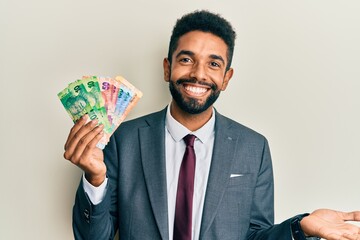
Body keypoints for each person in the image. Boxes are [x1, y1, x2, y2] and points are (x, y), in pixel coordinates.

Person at [63, 10, 360, 240]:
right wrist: (95, 179)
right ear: (167, 68)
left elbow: (256, 236)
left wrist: (299, 227)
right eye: (186, 59)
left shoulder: (253, 148)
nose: (198, 74)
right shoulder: (123, 139)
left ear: (226, 79)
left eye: (213, 64)